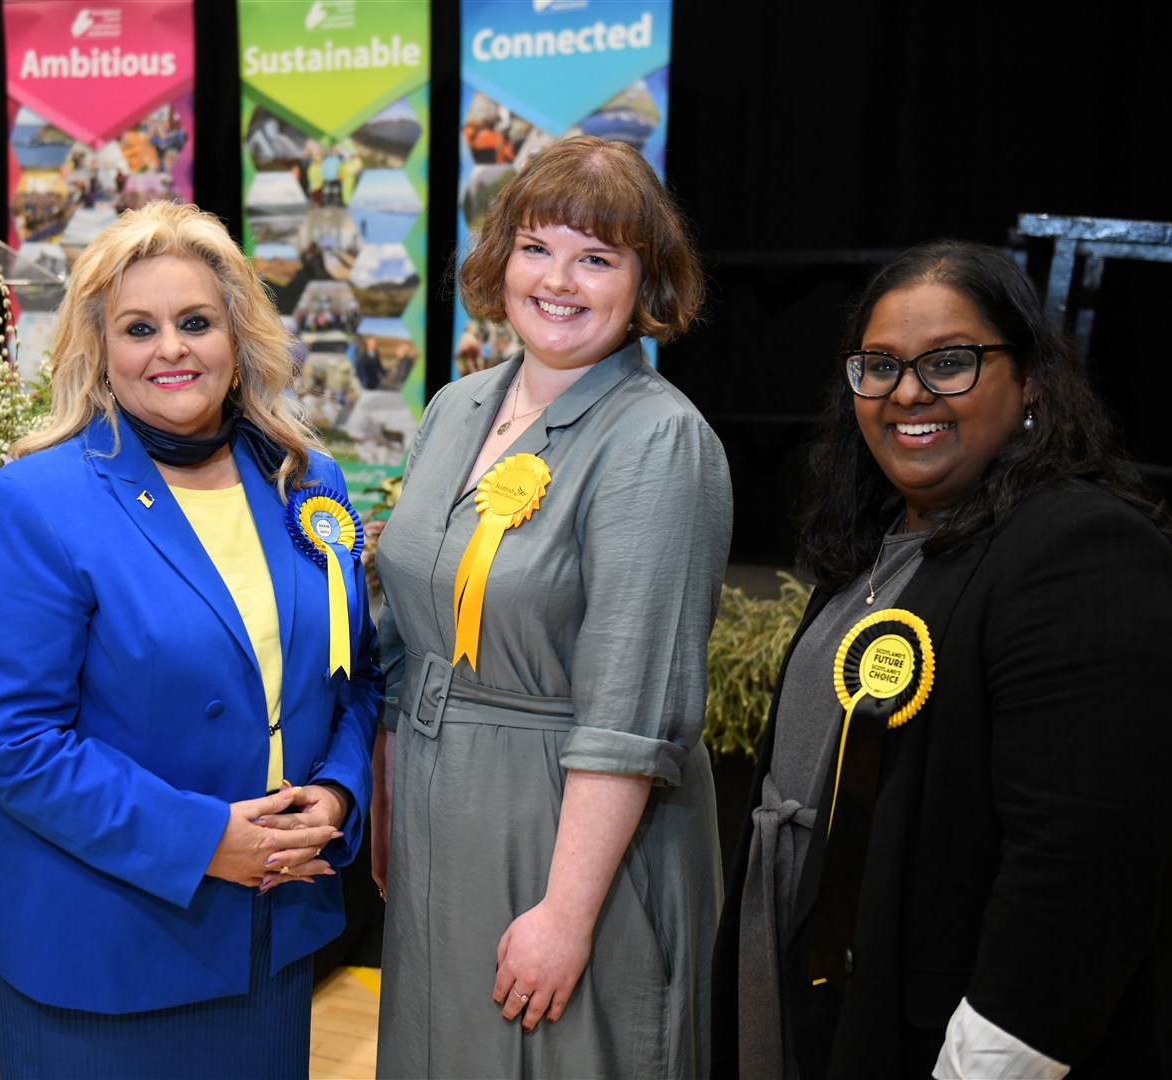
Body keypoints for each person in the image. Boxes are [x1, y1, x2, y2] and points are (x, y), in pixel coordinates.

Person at [712, 240, 1172, 1079]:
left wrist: (987, 1060)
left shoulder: (1082, 546)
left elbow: (1085, 862)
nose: (909, 392)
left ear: (1030, 379)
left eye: (950, 362)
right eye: (879, 366)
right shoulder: (885, 544)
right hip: (814, 989)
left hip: (952, 1040)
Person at [0, 201, 381, 1078]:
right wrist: (201, 840)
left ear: (239, 335)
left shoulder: (308, 479)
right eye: (138, 328)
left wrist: (336, 796)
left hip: (273, 935)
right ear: (99, 349)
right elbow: (9, 738)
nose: (172, 349)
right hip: (105, 951)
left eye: (196, 322)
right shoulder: (38, 500)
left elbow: (357, 673)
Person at [373, 135, 733, 1077]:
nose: (559, 281)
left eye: (598, 258)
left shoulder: (660, 442)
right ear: (501, 259)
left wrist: (567, 916)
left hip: (566, 838)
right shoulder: (455, 407)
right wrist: (387, 796)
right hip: (433, 809)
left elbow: (629, 716)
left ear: (645, 282)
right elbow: (406, 636)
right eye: (537, 248)